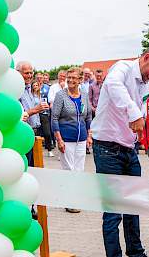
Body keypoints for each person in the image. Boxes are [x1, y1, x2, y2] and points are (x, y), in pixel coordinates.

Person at [91, 45, 149, 257]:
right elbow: (114, 85)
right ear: (146, 57)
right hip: (107, 148)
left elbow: (143, 107)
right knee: (113, 210)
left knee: (133, 206)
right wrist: (135, 114)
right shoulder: (122, 68)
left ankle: (136, 252)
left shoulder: (146, 82)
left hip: (129, 148)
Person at [51, 67, 92, 213]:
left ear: (80, 79)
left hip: (80, 139)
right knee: (69, 170)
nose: (71, 80)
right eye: (69, 77)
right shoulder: (60, 95)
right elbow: (54, 118)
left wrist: (89, 135)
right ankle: (69, 201)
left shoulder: (85, 95)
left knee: (79, 170)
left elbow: (88, 117)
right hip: (66, 138)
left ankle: (77, 199)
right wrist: (59, 139)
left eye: (74, 78)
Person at [17, 61, 49, 167]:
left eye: (31, 72)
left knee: (35, 165)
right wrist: (35, 109)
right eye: (26, 73)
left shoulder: (30, 88)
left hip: (34, 132)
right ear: (18, 73)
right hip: (22, 133)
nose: (30, 75)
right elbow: (19, 115)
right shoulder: (15, 89)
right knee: (26, 165)